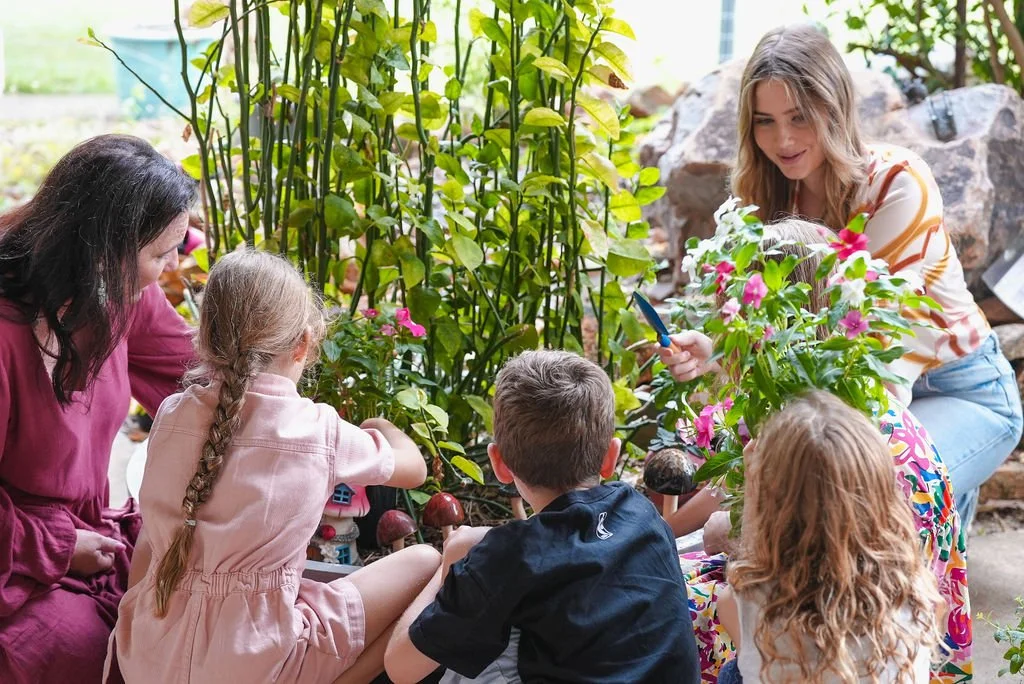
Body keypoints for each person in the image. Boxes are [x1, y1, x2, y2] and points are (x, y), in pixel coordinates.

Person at [731, 23, 1022, 526]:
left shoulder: (897, 184)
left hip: (956, 389)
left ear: (835, 106)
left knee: (860, 496)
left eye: (800, 116)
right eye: (764, 120)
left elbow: (879, 357)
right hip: (845, 388)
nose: (783, 139)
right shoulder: (766, 197)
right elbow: (763, 337)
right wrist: (716, 353)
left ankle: (936, 516)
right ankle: (942, 514)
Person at [658, 219, 971, 681]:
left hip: (833, 612)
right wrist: (718, 355)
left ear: (779, 319)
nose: (725, 330)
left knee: (662, 607)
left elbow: (797, 565)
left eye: (735, 317)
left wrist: (718, 532)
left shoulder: (817, 437)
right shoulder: (835, 385)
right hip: (883, 613)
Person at [109, 249, 440, 684]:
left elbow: (149, 544)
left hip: (147, 653)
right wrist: (380, 426)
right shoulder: (319, 429)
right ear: (302, 343)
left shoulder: (171, 414)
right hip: (254, 663)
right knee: (427, 561)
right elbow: (413, 469)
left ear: (204, 338)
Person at [0, 134, 198, 683]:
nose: (174, 266)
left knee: (194, 603)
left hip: (85, 535)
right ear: (102, 251)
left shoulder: (118, 294)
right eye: (162, 254)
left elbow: (199, 378)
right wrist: (59, 548)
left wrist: (301, 427)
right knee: (90, 646)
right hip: (16, 559)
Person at [385, 350, 701, 684]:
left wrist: (452, 565)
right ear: (611, 456)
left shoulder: (508, 557)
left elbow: (400, 669)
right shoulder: (643, 515)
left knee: (480, 640)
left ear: (499, 464)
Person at [716, 392, 943, 683]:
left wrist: (753, 489)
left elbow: (750, 564)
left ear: (773, 512)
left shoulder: (744, 599)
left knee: (732, 673)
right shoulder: (921, 594)